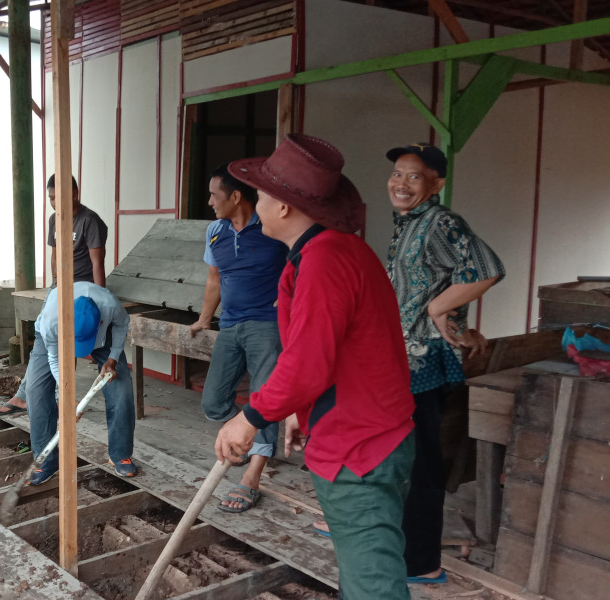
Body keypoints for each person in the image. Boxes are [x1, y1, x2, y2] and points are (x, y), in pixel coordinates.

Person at [213, 135, 415, 599]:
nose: (257, 202)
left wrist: (251, 417)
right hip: (365, 432)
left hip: (360, 447)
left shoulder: (324, 261)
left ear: (283, 207)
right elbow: (329, 357)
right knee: (365, 573)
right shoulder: (328, 252)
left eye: (261, 194)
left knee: (373, 586)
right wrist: (303, 412)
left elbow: (306, 363)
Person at [385, 142, 504, 584]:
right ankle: (404, 544)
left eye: (413, 176)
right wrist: (455, 317)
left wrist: (439, 310)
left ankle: (422, 563)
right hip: (403, 357)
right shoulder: (407, 221)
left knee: (422, 464)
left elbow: (488, 268)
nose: (401, 183)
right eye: (397, 173)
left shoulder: (442, 221)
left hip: (425, 361)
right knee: (405, 458)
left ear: (436, 183)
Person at [189, 166, 287, 513]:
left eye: (215, 194)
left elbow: (301, 264)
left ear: (235, 197)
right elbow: (214, 279)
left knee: (264, 398)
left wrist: (289, 300)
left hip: (267, 324)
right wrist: (204, 318)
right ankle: (255, 435)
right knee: (213, 402)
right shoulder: (215, 231)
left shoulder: (271, 226)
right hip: (230, 324)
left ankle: (252, 477)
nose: (210, 201)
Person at [0, 174, 109, 416]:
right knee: (43, 340)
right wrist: (55, 286)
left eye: (58, 198)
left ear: (75, 194)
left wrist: (101, 303)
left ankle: (60, 400)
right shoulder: (55, 219)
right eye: (51, 198)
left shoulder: (90, 221)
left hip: (82, 293)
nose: (54, 203)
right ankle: (28, 396)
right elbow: (55, 256)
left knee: (66, 344)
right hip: (59, 289)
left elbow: (98, 264)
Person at [26, 281, 137, 485]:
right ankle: (47, 461)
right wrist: (67, 398)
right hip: (51, 340)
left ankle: (120, 454)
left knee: (122, 391)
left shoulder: (110, 305)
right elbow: (54, 358)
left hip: (105, 338)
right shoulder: (51, 321)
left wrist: (113, 357)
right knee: (36, 391)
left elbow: (122, 324)